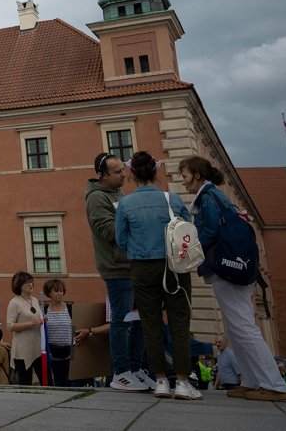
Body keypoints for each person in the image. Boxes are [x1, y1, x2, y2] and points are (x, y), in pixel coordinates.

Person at [179, 155, 286, 402]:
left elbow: (210, 233)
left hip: (225, 269)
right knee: (236, 328)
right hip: (234, 268)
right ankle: (251, 380)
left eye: (185, 176)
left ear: (197, 175)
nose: (183, 182)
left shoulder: (208, 198)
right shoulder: (216, 197)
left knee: (243, 327)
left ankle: (274, 384)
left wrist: (186, 246)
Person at [115, 150, 199, 400]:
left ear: (132, 174)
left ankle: (161, 380)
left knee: (150, 325)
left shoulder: (126, 203)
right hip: (173, 267)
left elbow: (121, 239)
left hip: (142, 268)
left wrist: (139, 249)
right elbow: (188, 231)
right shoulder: (171, 199)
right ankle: (183, 382)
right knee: (179, 324)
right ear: (155, 171)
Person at [84, 152, 152, 392]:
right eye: (117, 172)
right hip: (116, 268)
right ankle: (121, 372)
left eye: (123, 170)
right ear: (103, 175)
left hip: (131, 264)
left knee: (139, 320)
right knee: (122, 321)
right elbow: (107, 230)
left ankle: (135, 369)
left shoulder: (118, 194)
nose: (124, 174)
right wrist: (138, 223)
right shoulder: (96, 198)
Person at [6, 271, 44, 386]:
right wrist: (31, 323)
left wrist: (42, 319)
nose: (31, 285)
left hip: (37, 347)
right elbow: (10, 326)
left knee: (47, 382)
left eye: (31, 282)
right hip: (22, 350)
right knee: (25, 385)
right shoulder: (14, 302)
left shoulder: (35, 300)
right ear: (19, 285)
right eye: (27, 283)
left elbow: (36, 318)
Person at [42, 279, 73, 387]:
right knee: (58, 383)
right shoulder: (44, 311)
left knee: (70, 383)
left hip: (70, 354)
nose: (60, 293)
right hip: (52, 354)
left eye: (61, 291)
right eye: (56, 291)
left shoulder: (70, 309)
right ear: (49, 293)